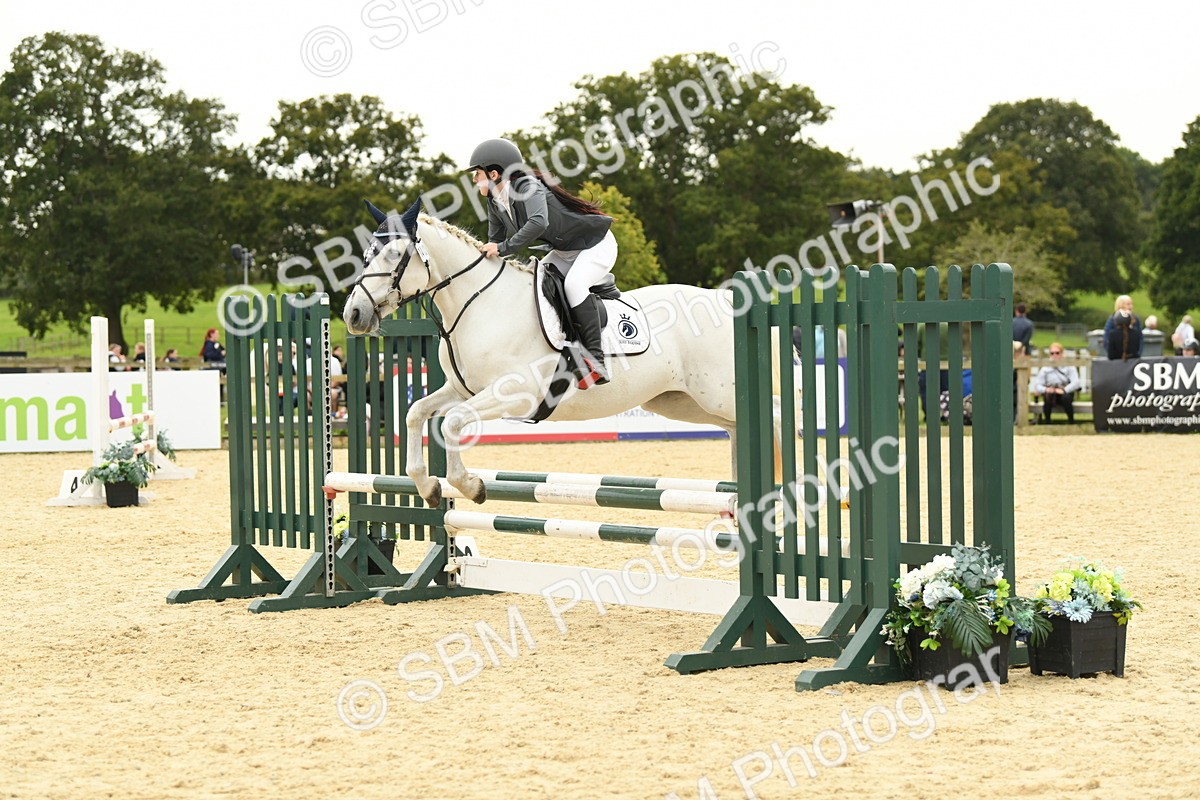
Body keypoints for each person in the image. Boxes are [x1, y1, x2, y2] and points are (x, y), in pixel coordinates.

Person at [467, 138, 616, 388]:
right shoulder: (494, 200)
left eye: (477, 174)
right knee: (534, 285)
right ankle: (558, 347)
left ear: (494, 173)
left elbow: (538, 223)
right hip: (565, 250)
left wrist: (501, 248)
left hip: (595, 245)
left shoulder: (528, 187)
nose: (474, 180)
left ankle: (595, 361)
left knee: (574, 286)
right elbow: (495, 241)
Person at [1033, 343, 1081, 423]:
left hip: (1064, 391)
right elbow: (1038, 385)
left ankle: (1071, 421)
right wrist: (1046, 389)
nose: (1054, 355)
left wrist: (1064, 390)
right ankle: (1047, 421)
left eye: (1057, 353)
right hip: (1051, 391)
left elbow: (1076, 382)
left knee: (1065, 398)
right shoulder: (1045, 368)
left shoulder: (1069, 366)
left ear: (1062, 354)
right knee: (1047, 397)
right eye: (1052, 353)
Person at [1103, 295, 1143, 360]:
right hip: (1116, 358)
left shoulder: (1136, 319)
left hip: (1133, 357)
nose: (1131, 306)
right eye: (1128, 304)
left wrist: (1138, 354)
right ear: (1120, 305)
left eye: (1131, 304)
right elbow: (1107, 339)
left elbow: (1140, 337)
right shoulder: (1112, 319)